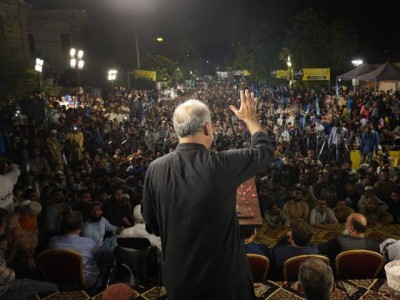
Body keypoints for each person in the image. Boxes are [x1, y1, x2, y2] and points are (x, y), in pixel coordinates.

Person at [142, 90, 274, 300]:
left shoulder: (155, 169)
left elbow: (152, 225)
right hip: (226, 283)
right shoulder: (223, 164)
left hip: (180, 282)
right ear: (207, 127)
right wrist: (250, 119)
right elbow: (265, 150)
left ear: (176, 130)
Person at [0, 208, 59, 300]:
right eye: (3, 224)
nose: (5, 225)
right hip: (6, 287)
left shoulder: (3, 240)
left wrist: (18, 242)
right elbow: (8, 277)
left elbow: (8, 259)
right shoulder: (10, 227)